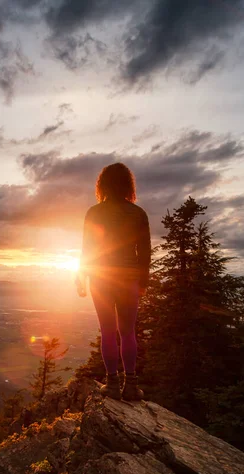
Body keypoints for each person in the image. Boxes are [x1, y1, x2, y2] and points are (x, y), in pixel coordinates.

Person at [75, 163, 151, 401]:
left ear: (103, 184)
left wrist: (81, 276)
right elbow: (145, 253)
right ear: (128, 184)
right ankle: (131, 385)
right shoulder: (138, 214)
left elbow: (87, 249)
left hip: (101, 278)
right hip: (129, 278)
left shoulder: (94, 213)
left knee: (107, 332)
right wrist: (143, 282)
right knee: (128, 332)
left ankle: (112, 384)